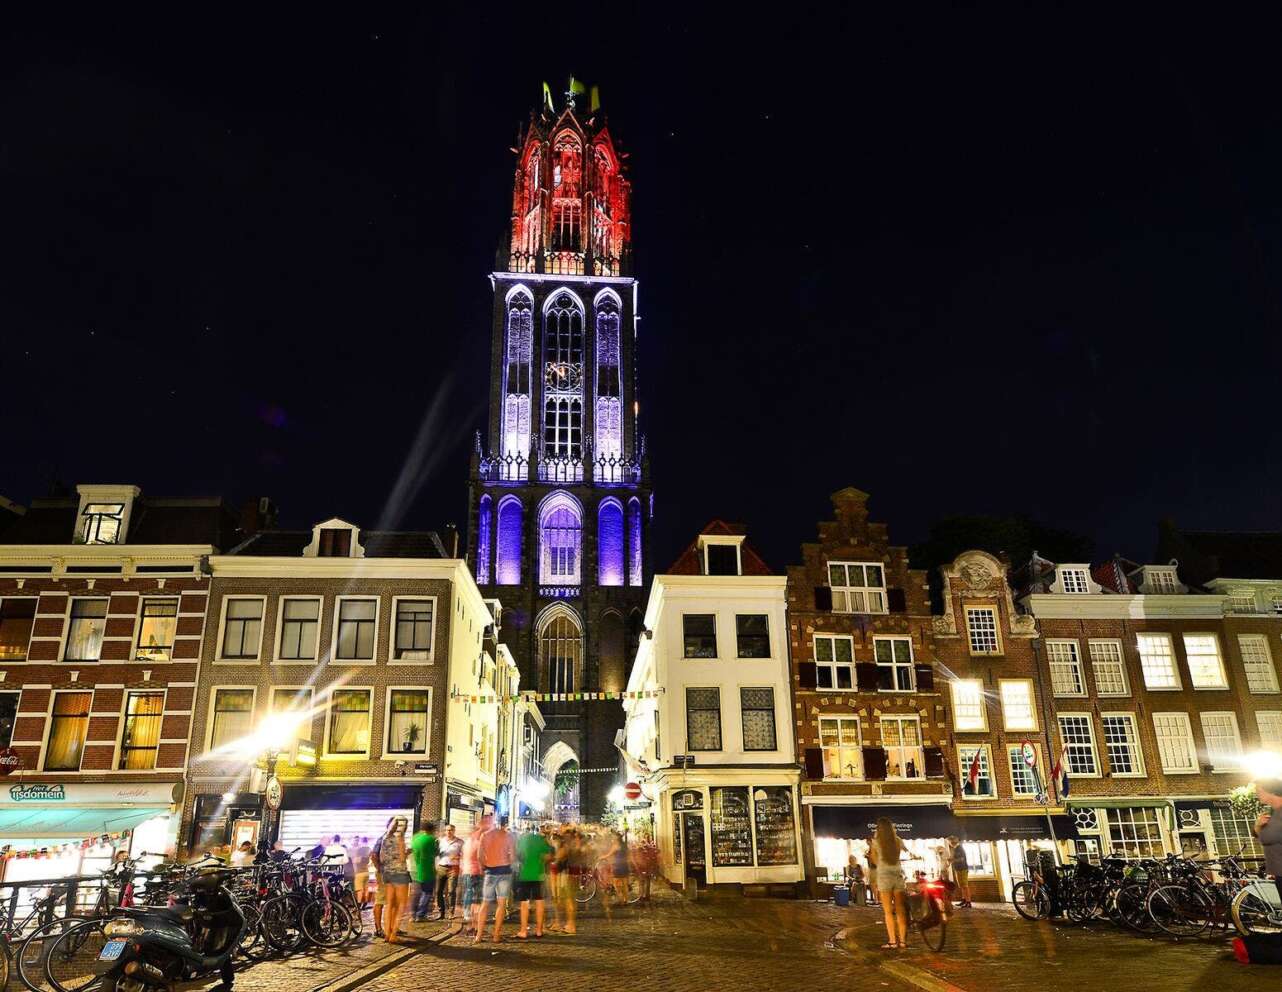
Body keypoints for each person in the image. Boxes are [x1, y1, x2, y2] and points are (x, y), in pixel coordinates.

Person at [476, 814, 516, 943]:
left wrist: (484, 866)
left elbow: (479, 856)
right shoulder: (508, 836)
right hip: (504, 870)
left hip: (490, 870)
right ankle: (496, 935)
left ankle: (479, 935)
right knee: (501, 904)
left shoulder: (485, 836)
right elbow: (512, 857)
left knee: (485, 903)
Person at [873, 817, 909, 949]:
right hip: (898, 875)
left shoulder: (876, 842)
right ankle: (903, 941)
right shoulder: (898, 840)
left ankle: (893, 941)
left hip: (884, 877)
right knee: (900, 910)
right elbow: (901, 854)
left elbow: (875, 860)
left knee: (888, 911)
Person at [514, 823, 552, 939]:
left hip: (525, 874)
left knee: (524, 903)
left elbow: (518, 855)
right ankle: (539, 930)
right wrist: (542, 861)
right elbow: (550, 855)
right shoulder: (540, 840)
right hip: (539, 875)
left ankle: (523, 931)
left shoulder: (522, 840)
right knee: (539, 902)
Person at [378, 816, 412, 943]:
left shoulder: (385, 838)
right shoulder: (400, 838)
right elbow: (402, 858)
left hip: (387, 873)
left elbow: (381, 858)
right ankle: (394, 934)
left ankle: (387, 933)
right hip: (400, 874)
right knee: (401, 905)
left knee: (389, 905)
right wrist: (407, 852)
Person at [1253, 779, 1282, 908]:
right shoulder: (1274, 812)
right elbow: (1266, 839)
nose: (1257, 794)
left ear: (1271, 791)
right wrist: (1258, 827)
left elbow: (1268, 837)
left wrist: (1258, 828)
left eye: (1259, 791)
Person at [459, 815, 489, 937]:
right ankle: (475, 926)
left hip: (466, 872)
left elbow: (463, 857)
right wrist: (484, 867)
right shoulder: (477, 843)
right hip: (476, 873)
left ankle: (470, 924)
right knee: (477, 901)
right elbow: (481, 858)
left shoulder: (466, 843)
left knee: (469, 898)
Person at [410, 822, 438, 922]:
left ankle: (412, 914)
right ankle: (420, 915)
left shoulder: (415, 839)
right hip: (427, 870)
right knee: (427, 893)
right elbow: (436, 852)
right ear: (432, 830)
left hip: (415, 870)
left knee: (416, 893)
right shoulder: (431, 839)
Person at [435, 824, 462, 919]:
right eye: (447, 830)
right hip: (441, 867)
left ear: (454, 831)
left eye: (451, 830)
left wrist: (457, 857)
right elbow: (436, 853)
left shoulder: (459, 842)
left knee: (451, 891)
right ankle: (441, 912)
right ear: (445, 831)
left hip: (453, 868)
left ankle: (451, 912)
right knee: (438, 891)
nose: (449, 832)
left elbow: (464, 854)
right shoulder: (440, 841)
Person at [947, 836, 972, 907]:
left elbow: (962, 859)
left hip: (962, 869)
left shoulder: (959, 848)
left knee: (965, 886)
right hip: (958, 869)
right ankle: (964, 900)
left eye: (950, 842)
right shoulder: (956, 849)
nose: (950, 844)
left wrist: (952, 860)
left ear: (952, 842)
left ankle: (968, 901)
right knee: (961, 886)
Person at [351, 836, 372, 910]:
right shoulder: (368, 850)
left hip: (359, 873)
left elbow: (355, 861)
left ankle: (358, 908)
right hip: (366, 872)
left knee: (360, 891)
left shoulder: (358, 851)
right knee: (365, 889)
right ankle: (364, 904)